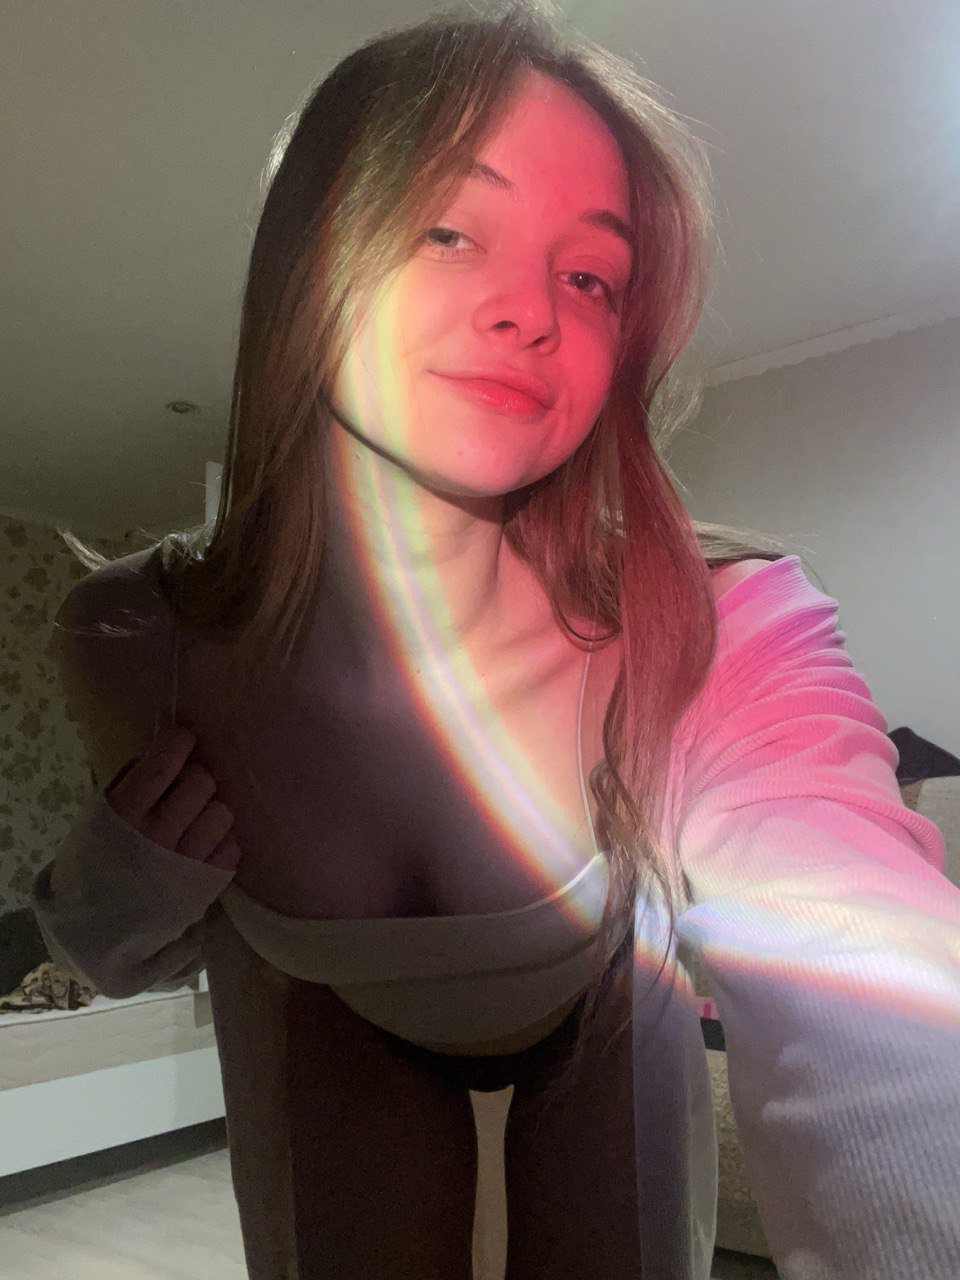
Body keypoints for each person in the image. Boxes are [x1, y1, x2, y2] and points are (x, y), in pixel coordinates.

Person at [34, 4, 960, 1278]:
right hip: (325, 1029)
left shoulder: (714, 615)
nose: (531, 310)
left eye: (590, 277)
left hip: (602, 1026)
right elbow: (112, 951)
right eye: (449, 229)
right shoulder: (132, 636)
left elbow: (874, 992)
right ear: (309, 254)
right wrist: (118, 881)